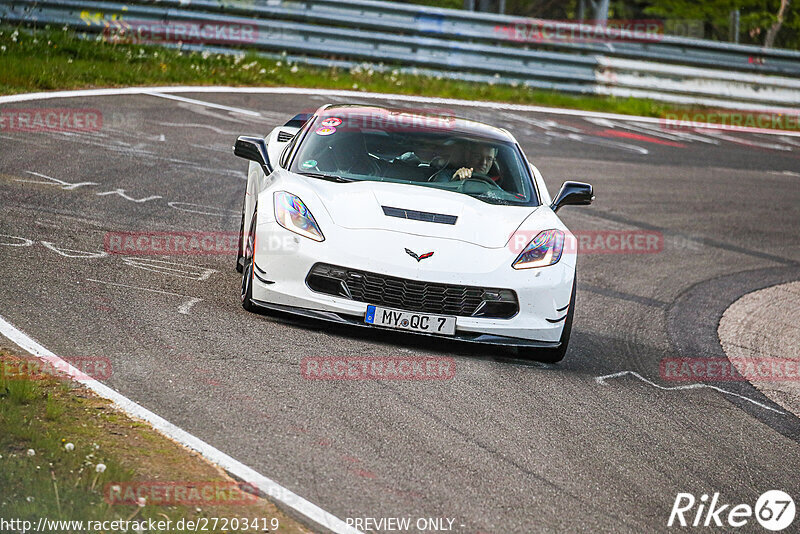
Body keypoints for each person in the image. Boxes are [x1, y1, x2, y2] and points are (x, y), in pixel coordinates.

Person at [430, 141, 498, 182]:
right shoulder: (446, 175)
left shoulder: (494, 183)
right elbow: (439, 196)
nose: (483, 163)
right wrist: (455, 181)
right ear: (468, 156)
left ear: (493, 161)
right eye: (478, 156)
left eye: (489, 159)